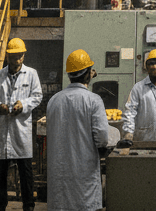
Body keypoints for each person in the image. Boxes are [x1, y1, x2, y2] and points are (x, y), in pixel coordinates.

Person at [45, 49, 109, 211]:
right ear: (88, 74)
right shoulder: (94, 100)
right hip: (84, 179)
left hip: (58, 182)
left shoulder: (54, 100)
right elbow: (102, 138)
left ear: (69, 75)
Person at [0, 37, 43, 211]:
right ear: (7, 57)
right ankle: (0, 205)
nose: (16, 59)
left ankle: (28, 205)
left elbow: (37, 96)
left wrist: (23, 105)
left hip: (20, 130)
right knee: (0, 173)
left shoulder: (31, 74)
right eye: (12, 56)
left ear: (23, 56)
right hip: (2, 131)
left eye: (19, 55)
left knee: (25, 172)